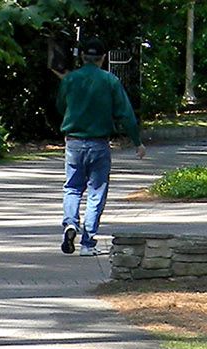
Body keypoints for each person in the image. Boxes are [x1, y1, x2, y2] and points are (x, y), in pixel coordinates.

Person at [57, 38, 146, 257]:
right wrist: (137, 141)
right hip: (99, 143)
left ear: (82, 56)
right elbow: (126, 113)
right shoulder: (110, 81)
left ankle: (70, 223)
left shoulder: (70, 79)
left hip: (74, 142)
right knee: (96, 191)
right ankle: (88, 244)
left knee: (72, 187)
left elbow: (60, 105)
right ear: (103, 58)